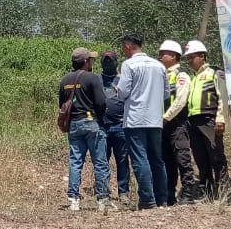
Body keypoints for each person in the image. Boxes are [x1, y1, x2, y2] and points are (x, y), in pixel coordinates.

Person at [113, 33, 167, 210]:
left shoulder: (129, 65)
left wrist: (117, 89)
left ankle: (147, 199)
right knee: (157, 160)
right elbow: (166, 93)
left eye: (123, 47)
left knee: (140, 159)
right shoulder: (159, 66)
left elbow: (123, 93)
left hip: (135, 119)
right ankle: (162, 198)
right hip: (155, 120)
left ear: (128, 46)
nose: (123, 50)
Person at [60, 47, 110, 213]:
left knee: (75, 162)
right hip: (91, 122)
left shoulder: (65, 80)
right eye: (90, 59)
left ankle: (73, 200)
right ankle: (103, 199)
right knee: (100, 162)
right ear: (85, 61)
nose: (92, 62)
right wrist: (100, 118)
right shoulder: (92, 78)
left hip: (74, 124)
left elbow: (62, 105)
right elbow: (101, 102)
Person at [183, 41, 230, 200]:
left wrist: (220, 118)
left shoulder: (215, 73)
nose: (189, 61)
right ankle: (207, 192)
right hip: (193, 121)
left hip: (210, 120)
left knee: (216, 157)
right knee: (201, 159)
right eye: (187, 58)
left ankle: (224, 192)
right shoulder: (193, 77)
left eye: (192, 57)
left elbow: (222, 96)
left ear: (202, 56)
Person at [158, 40, 198, 205]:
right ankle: (169, 195)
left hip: (176, 124)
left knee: (182, 158)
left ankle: (188, 193)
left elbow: (180, 100)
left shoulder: (181, 75)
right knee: (167, 160)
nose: (160, 56)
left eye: (163, 54)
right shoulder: (161, 74)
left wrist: (166, 117)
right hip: (162, 125)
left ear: (173, 56)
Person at [99, 50, 133, 207]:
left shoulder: (122, 80)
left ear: (116, 62)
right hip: (102, 126)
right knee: (102, 161)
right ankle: (103, 192)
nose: (107, 63)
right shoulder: (96, 80)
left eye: (110, 60)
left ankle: (123, 192)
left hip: (120, 125)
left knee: (122, 160)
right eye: (105, 61)